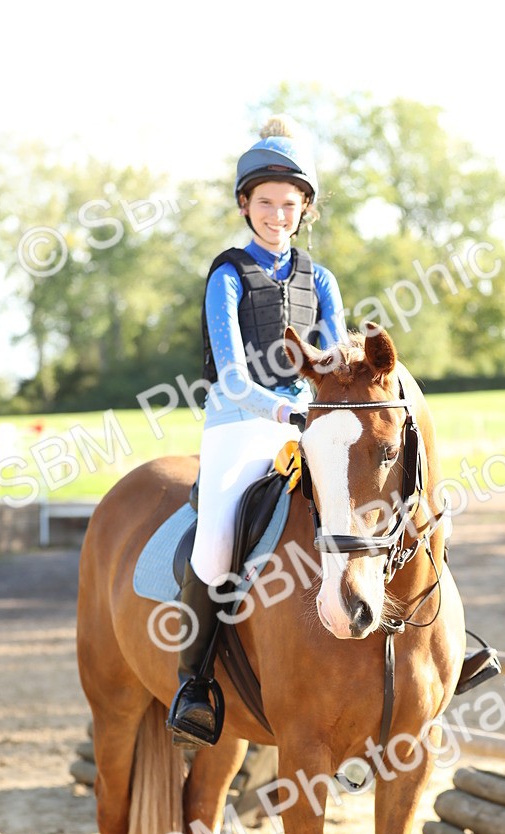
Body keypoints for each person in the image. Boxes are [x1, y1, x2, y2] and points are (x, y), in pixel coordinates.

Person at [167, 116, 348, 747]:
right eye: (265, 202)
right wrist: (281, 412)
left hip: (309, 423)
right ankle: (194, 685)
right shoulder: (227, 275)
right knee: (216, 543)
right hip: (241, 425)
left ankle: (434, 638)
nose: (277, 214)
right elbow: (234, 375)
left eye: (289, 204)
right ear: (245, 205)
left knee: (381, 499)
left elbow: (335, 362)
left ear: (305, 210)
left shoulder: (321, 281)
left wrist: (328, 408)